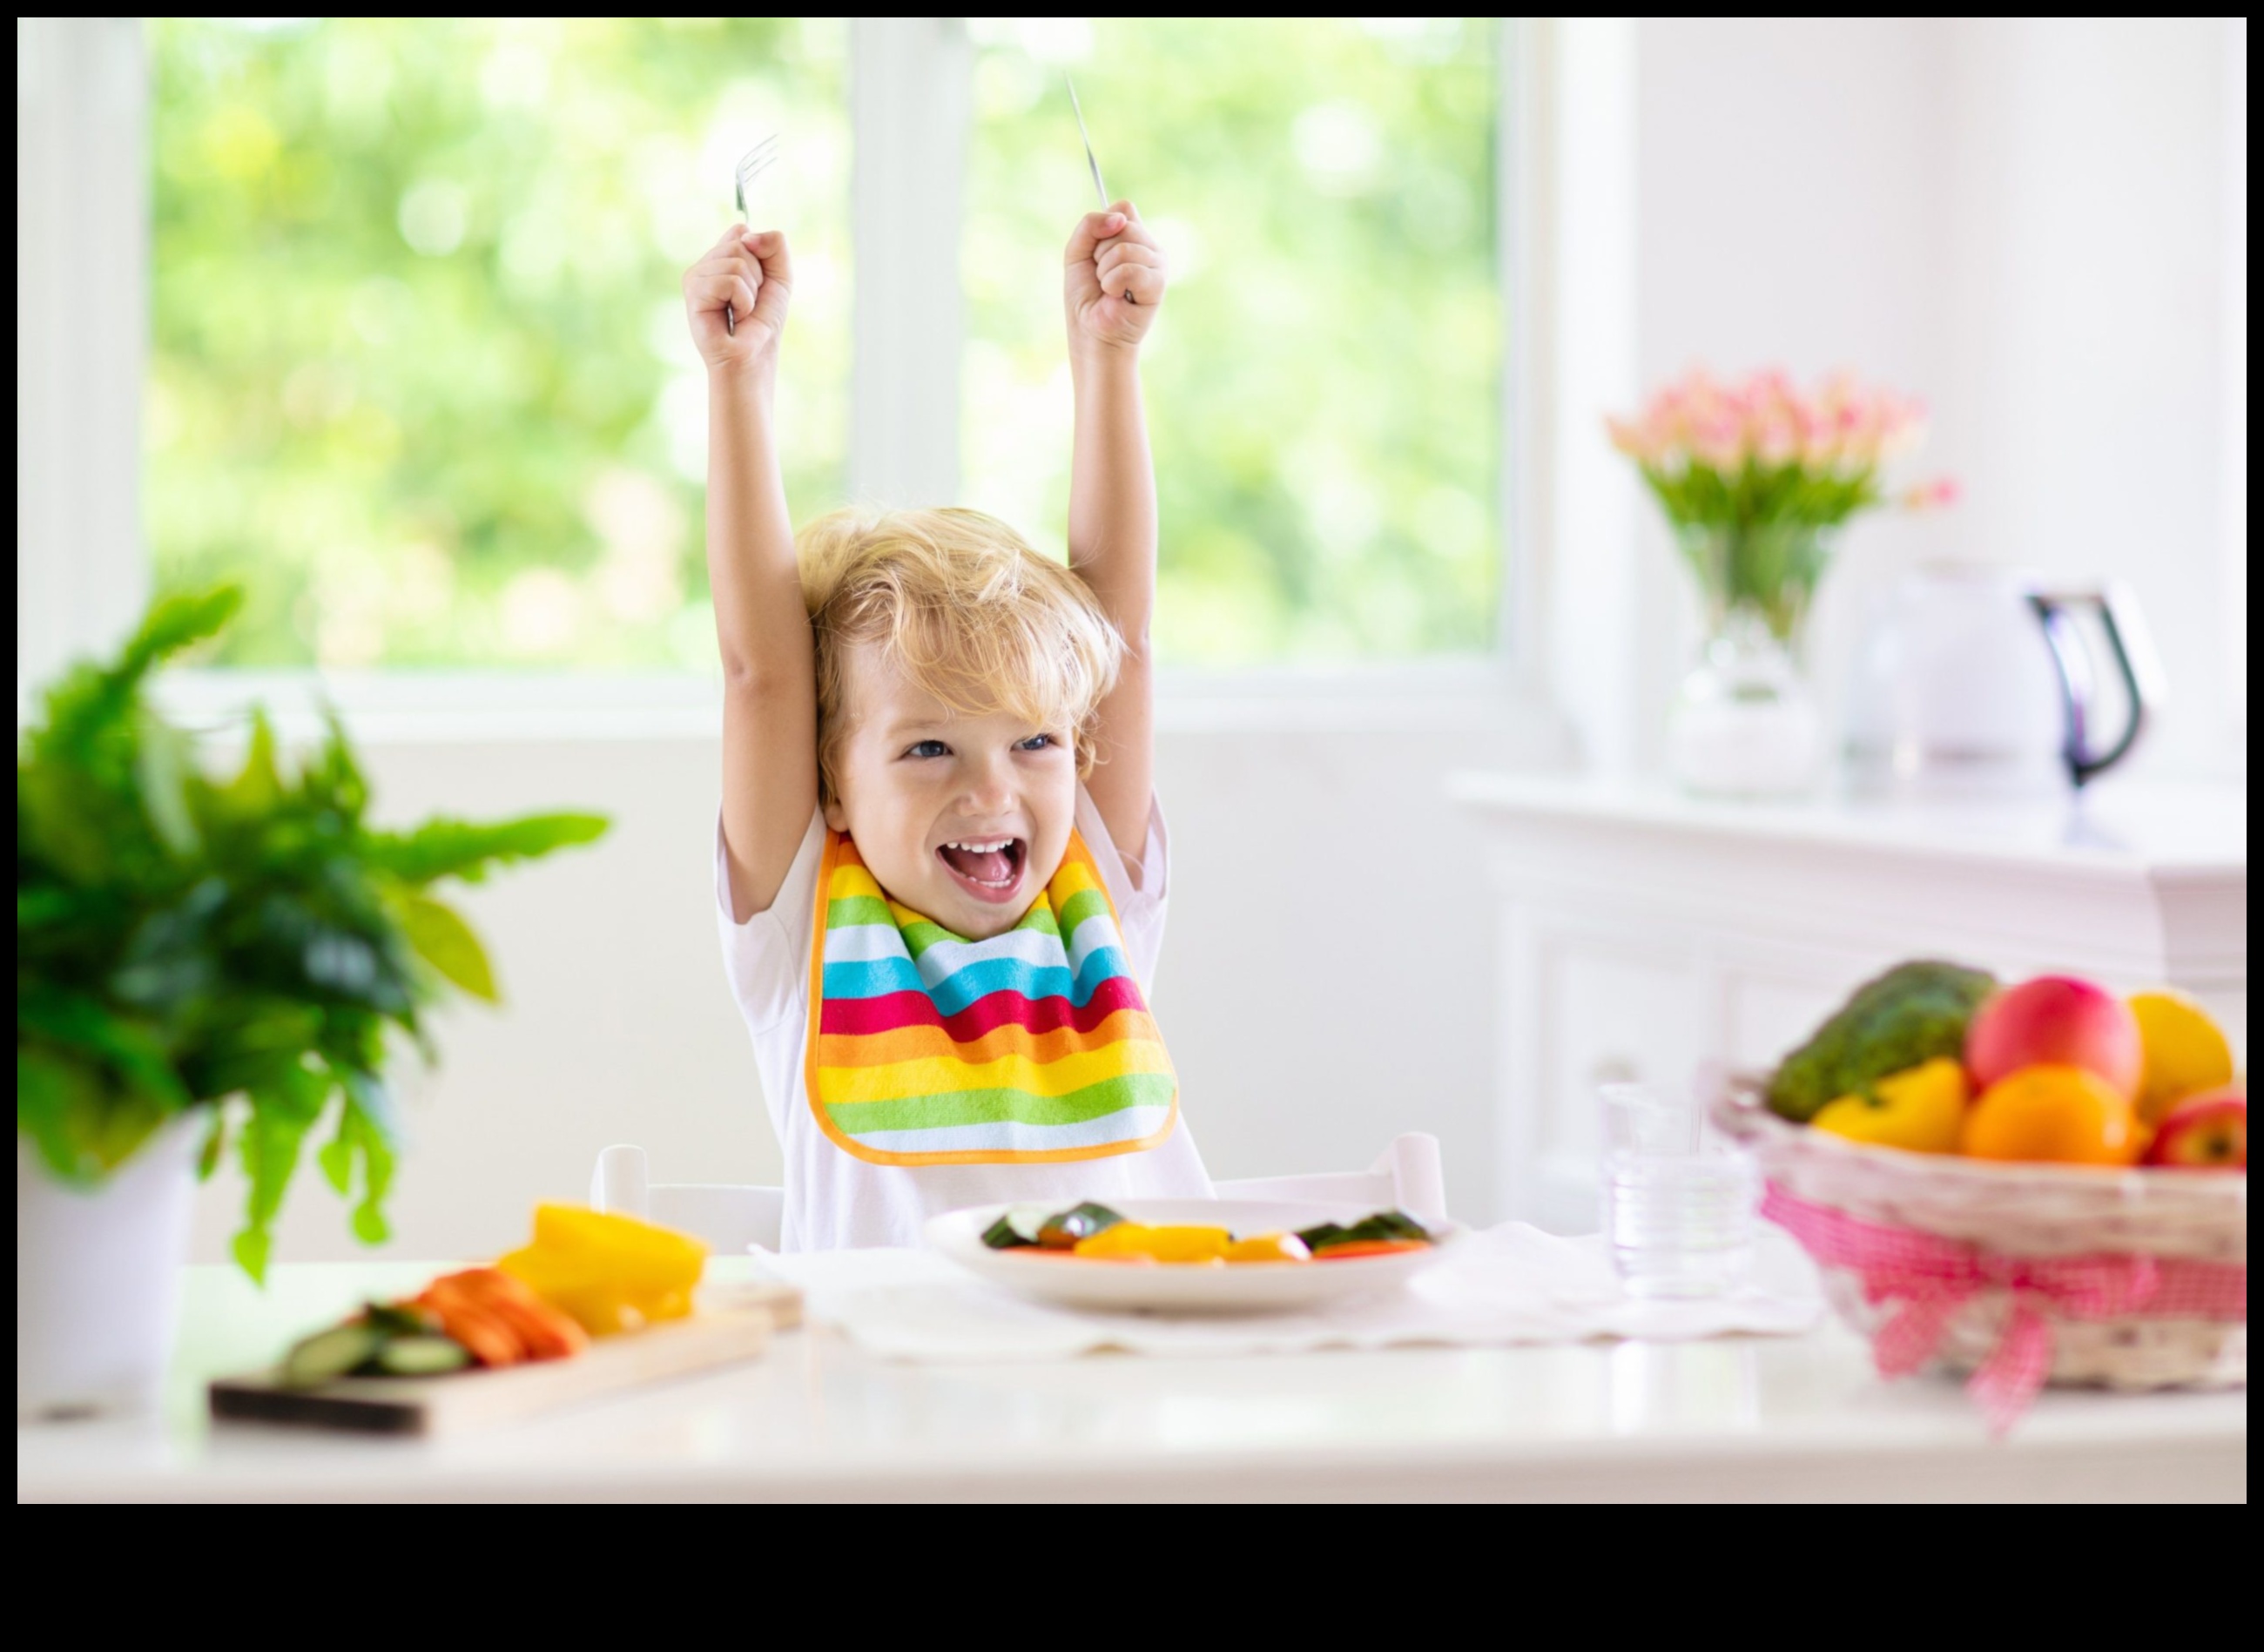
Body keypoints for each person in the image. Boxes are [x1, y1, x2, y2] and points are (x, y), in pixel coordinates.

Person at [684, 202, 1210, 1249]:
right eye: (927, 748)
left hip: (1133, 1375)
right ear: (830, 783)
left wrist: (1106, 355)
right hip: (885, 1401)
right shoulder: (801, 935)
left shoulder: (1092, 893)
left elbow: (1124, 639)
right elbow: (762, 676)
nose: (992, 790)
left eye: (1034, 742)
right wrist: (738, 380)